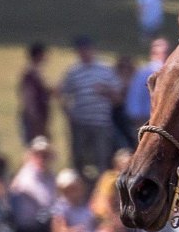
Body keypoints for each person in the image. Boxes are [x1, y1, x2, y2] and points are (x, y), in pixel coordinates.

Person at [59, 35, 119, 177]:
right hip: (80, 122)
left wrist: (106, 91)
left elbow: (118, 97)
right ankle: (79, 186)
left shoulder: (105, 69)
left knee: (102, 157)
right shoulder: (74, 71)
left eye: (86, 49)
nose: (83, 52)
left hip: (101, 122)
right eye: (80, 50)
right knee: (79, 157)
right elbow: (63, 93)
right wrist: (68, 113)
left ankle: (101, 189)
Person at [18, 43, 51, 148]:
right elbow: (28, 96)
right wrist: (34, 116)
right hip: (34, 116)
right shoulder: (30, 73)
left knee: (42, 143)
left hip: (39, 115)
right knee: (35, 145)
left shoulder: (37, 72)